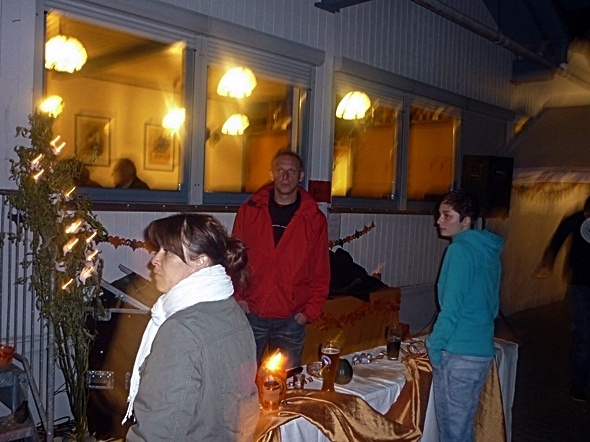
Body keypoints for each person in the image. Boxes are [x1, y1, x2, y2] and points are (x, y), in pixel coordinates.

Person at [124, 214, 259, 441]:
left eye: (167, 252)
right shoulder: (230, 309)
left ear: (201, 261)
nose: (154, 260)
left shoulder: (181, 330)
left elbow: (158, 431)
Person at [232, 150, 330, 369]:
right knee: (242, 382)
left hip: (291, 320)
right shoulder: (249, 211)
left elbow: (320, 269)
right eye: (280, 170)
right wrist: (238, 297)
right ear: (272, 174)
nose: (285, 176)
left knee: (287, 383)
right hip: (251, 314)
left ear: (301, 176)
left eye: (291, 171)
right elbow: (235, 259)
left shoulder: (314, 219)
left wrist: (308, 312)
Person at [426, 189, 503, 442]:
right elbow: (493, 305)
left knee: (453, 433)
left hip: (458, 352)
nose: (439, 221)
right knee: (462, 429)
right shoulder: (488, 251)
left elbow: (451, 308)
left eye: (447, 215)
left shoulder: (459, 250)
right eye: (440, 214)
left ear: (466, 220)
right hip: (481, 350)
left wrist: (434, 346)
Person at [533, 195, 590, 402]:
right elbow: (556, 241)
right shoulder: (575, 220)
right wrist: (547, 264)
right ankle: (578, 383)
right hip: (580, 285)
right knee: (585, 336)